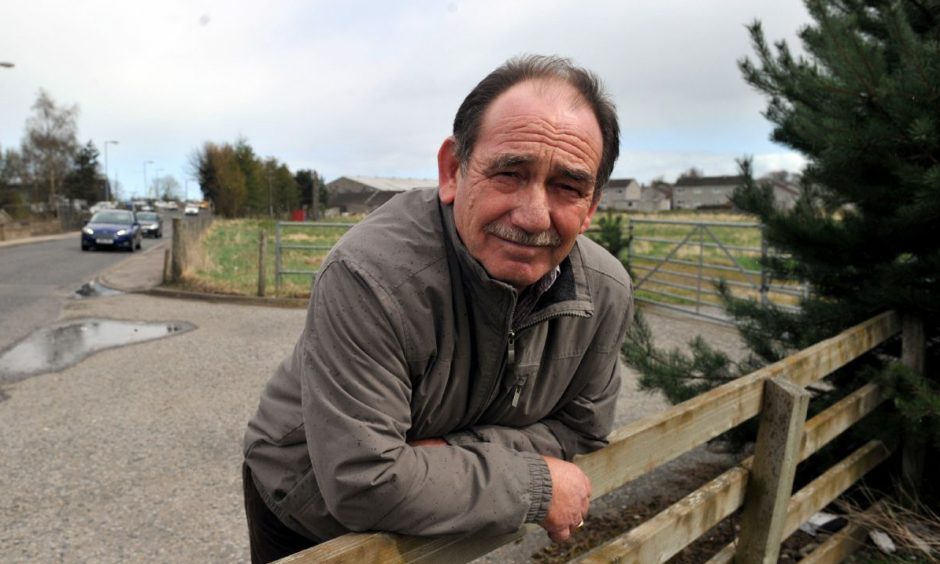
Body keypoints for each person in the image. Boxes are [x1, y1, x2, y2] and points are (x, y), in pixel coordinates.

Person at [242, 54, 634, 563]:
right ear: (453, 170)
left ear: (592, 205)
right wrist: (533, 482)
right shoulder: (369, 276)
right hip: (306, 507)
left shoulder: (605, 292)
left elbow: (583, 430)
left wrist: (450, 459)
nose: (535, 216)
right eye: (510, 173)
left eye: (567, 186)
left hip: (451, 516)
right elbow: (364, 481)